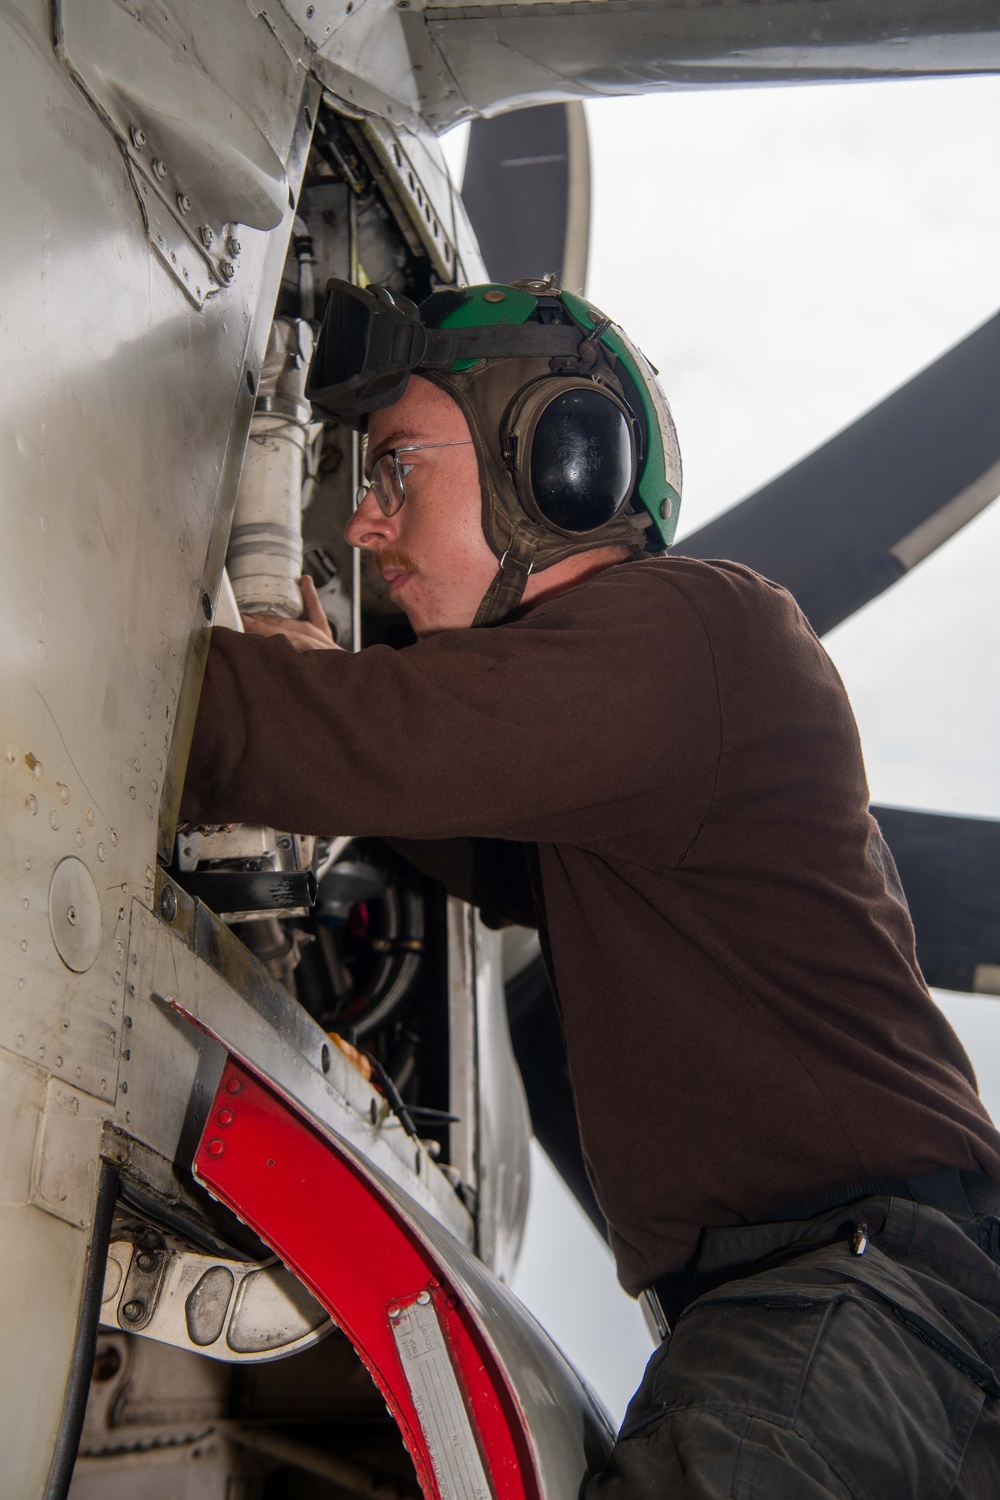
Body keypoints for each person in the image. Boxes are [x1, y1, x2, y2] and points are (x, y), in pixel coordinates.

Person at [181, 276, 1000, 1496]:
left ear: (558, 461)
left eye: (396, 468)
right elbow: (431, 816)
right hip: (825, 1323)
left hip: (851, 1310)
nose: (363, 526)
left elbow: (297, 741)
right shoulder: (615, 760)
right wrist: (332, 700)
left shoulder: (700, 634)